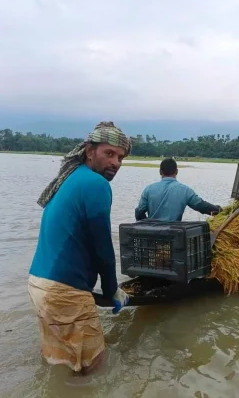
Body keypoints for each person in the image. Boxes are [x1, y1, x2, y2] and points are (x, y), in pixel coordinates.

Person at [28, 121, 131, 375]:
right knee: (93, 370)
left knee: (62, 367)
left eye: (120, 157)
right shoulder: (96, 184)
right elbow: (102, 246)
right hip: (65, 292)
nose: (116, 162)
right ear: (89, 151)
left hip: (39, 285)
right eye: (109, 154)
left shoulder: (71, 180)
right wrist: (111, 290)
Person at [135, 158, 222, 221]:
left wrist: (149, 224)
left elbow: (139, 213)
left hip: (152, 234)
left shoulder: (149, 189)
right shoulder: (185, 190)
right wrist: (220, 210)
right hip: (174, 235)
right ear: (176, 171)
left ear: (160, 172)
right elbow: (202, 206)